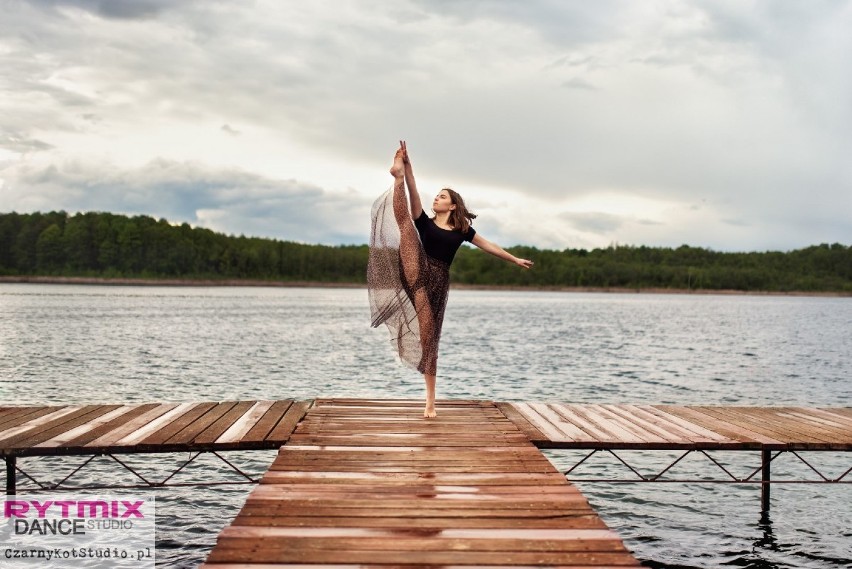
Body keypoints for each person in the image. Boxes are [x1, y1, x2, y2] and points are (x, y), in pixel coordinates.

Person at [368, 141, 533, 418]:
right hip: (416, 269)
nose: (436, 199)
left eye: (442, 197)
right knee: (407, 227)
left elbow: (488, 245)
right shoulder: (425, 221)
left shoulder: (462, 230)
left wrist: (514, 259)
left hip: (438, 281)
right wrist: (407, 168)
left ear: (452, 204)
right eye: (437, 196)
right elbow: (415, 192)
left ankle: (430, 402)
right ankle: (395, 176)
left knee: (430, 340)